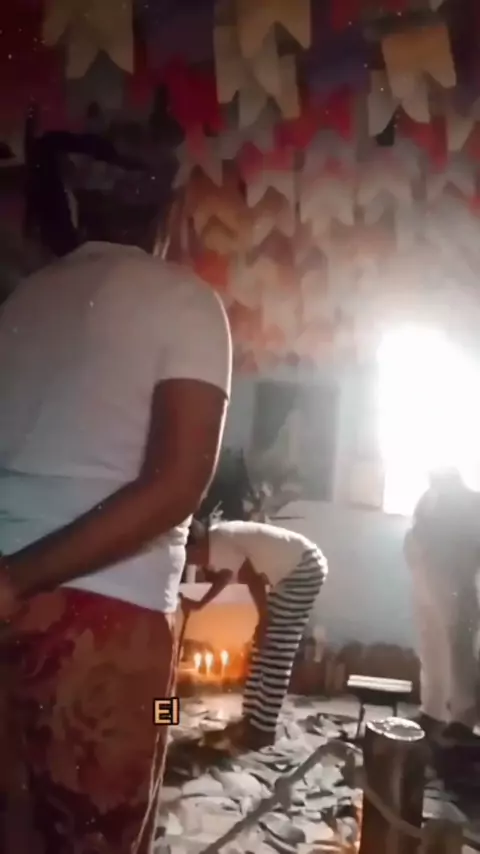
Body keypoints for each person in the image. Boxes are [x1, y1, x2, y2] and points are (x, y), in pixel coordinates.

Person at [0, 130, 232, 853]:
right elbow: (175, 485)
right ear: (168, 214)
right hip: (108, 621)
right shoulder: (188, 302)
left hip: (6, 607)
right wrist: (19, 577)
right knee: (98, 833)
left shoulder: (22, 302)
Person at [182, 519, 327, 749]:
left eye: (188, 557)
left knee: (277, 651)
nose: (189, 563)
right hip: (294, 571)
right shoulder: (217, 541)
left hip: (303, 568)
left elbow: (254, 580)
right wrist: (199, 604)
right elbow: (225, 576)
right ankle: (251, 718)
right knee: (263, 648)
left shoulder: (219, 543)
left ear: (196, 547)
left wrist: (264, 620)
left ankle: (263, 729)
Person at [404, 467, 480, 746]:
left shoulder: (473, 502)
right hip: (426, 580)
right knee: (430, 647)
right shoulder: (428, 499)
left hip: (456, 584)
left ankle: (462, 720)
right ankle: (432, 710)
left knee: (458, 651)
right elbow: (417, 532)